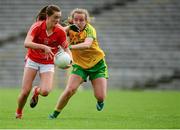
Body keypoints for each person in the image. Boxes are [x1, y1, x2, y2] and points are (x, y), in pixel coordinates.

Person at [49, 8, 108, 119]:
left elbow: (87, 44)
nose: (78, 22)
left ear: (86, 21)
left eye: (81, 20)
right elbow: (55, 32)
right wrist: (68, 27)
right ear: (72, 20)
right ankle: (54, 114)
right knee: (69, 90)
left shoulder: (90, 29)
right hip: (80, 65)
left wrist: (69, 47)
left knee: (100, 96)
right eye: (76, 20)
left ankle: (100, 101)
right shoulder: (70, 28)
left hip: (97, 64)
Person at [15, 4, 72, 119]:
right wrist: (43, 47)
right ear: (47, 16)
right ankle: (19, 112)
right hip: (32, 59)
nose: (58, 20)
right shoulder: (37, 26)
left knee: (45, 92)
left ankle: (36, 91)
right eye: (55, 17)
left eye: (59, 17)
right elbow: (26, 43)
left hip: (48, 62)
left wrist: (70, 61)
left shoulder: (60, 31)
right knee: (25, 92)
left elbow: (66, 48)